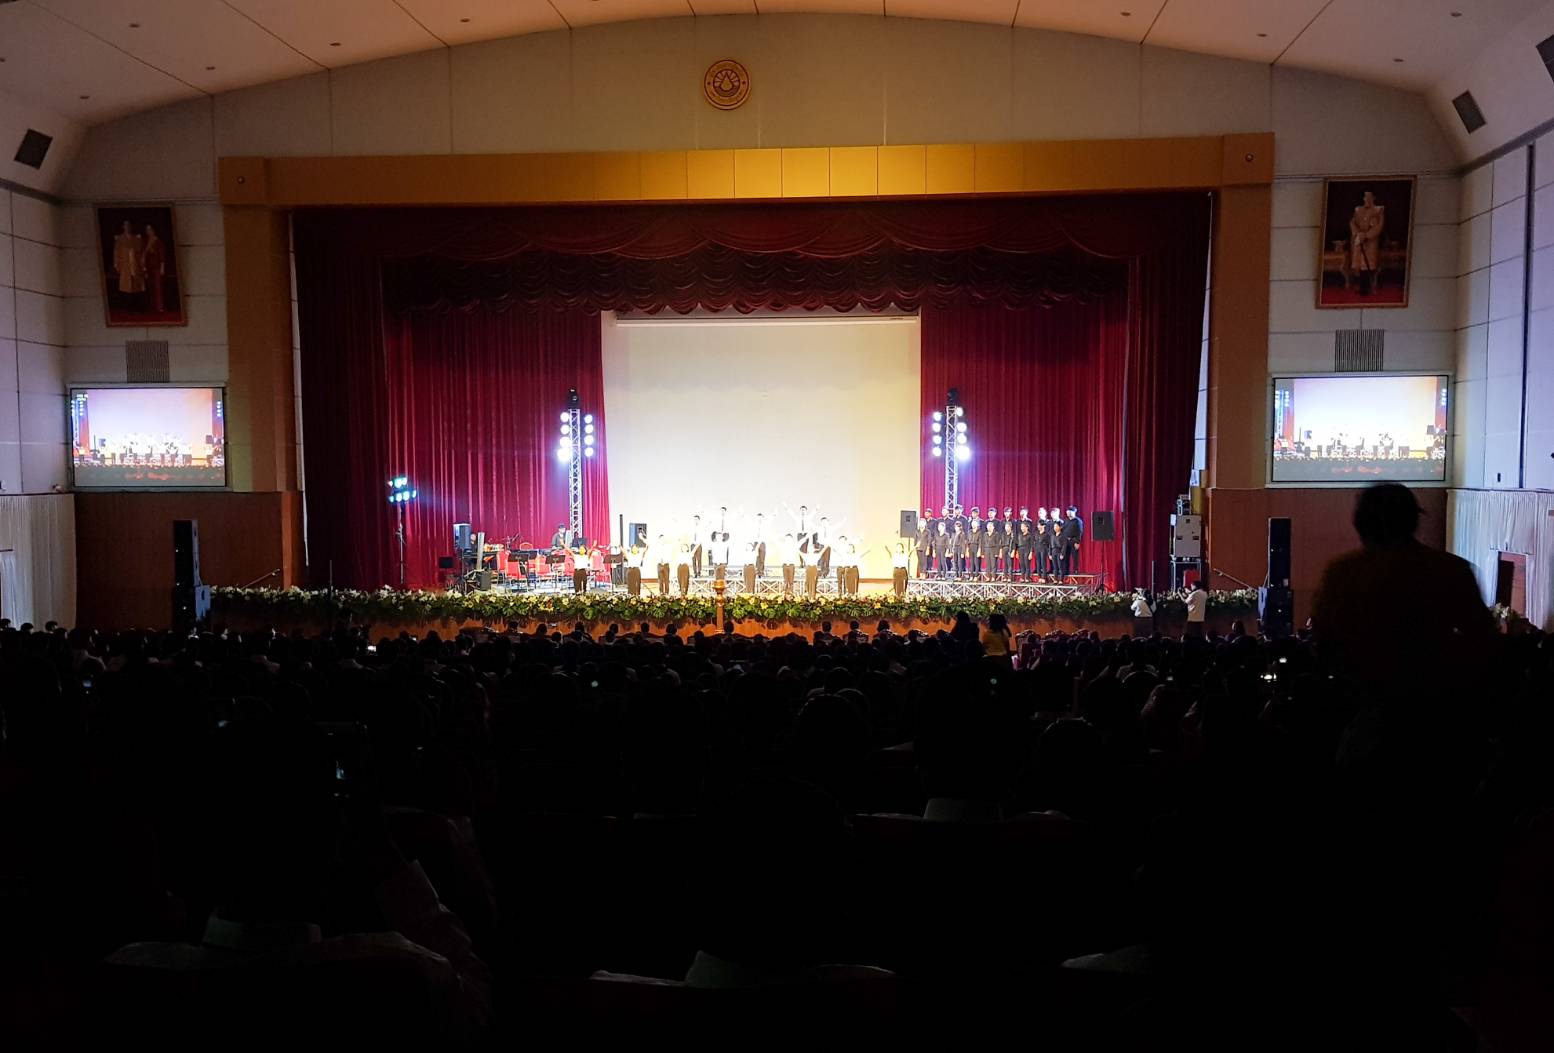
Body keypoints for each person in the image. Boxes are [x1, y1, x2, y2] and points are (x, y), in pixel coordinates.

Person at [1311, 482, 1494, 694]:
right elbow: (1482, 637)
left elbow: (1324, 641)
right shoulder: (1449, 570)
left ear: (1360, 524)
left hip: (1362, 698)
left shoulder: (1342, 574)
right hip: (1436, 696)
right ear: (1413, 520)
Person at [1347, 189, 1385, 295]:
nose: (1367, 199)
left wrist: (1366, 235)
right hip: (1358, 240)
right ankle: (1361, 286)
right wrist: (1357, 234)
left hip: (1370, 242)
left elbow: (1378, 227)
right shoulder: (1358, 210)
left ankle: (1368, 287)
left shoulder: (1378, 210)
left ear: (1373, 198)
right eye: (1365, 197)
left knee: (1368, 264)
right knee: (1359, 264)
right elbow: (1352, 223)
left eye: (1369, 197)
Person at [112, 219, 145, 298]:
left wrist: (142, 263)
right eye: (126, 225)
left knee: (136, 285)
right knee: (126, 284)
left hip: (135, 263)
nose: (127, 227)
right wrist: (116, 264)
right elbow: (117, 252)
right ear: (123, 227)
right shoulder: (120, 239)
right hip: (125, 264)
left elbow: (141, 251)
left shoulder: (136, 239)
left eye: (129, 225)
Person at [142, 224, 168, 313]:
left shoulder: (158, 241)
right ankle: (152, 306)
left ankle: (159, 306)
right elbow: (143, 256)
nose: (148, 231)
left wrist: (162, 268)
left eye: (150, 229)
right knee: (150, 287)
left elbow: (162, 256)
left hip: (157, 267)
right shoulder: (146, 242)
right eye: (147, 230)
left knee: (158, 287)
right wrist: (144, 268)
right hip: (148, 268)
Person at [1058, 505, 1084, 580]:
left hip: (1074, 540)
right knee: (1066, 555)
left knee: (1074, 556)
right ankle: (1066, 570)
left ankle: (1075, 570)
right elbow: (1063, 529)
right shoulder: (1066, 520)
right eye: (1067, 511)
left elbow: (1080, 532)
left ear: (1074, 512)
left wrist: (1077, 542)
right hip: (1066, 541)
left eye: (1070, 511)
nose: (1068, 513)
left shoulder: (1077, 521)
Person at [777, 533, 799, 597]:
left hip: (791, 565)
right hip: (785, 565)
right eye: (787, 539)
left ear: (792, 539)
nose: (788, 540)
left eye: (789, 539)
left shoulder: (794, 545)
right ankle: (785, 595)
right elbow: (776, 541)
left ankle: (791, 595)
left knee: (791, 581)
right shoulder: (782, 546)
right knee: (785, 581)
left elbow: (801, 541)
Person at [915, 509, 934, 578]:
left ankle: (924, 573)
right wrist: (915, 547)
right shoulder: (917, 531)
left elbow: (929, 540)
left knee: (924, 561)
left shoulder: (927, 531)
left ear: (925, 524)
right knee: (920, 561)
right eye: (920, 523)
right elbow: (915, 540)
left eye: (923, 523)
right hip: (918, 548)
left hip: (925, 547)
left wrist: (928, 548)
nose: (921, 524)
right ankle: (921, 573)